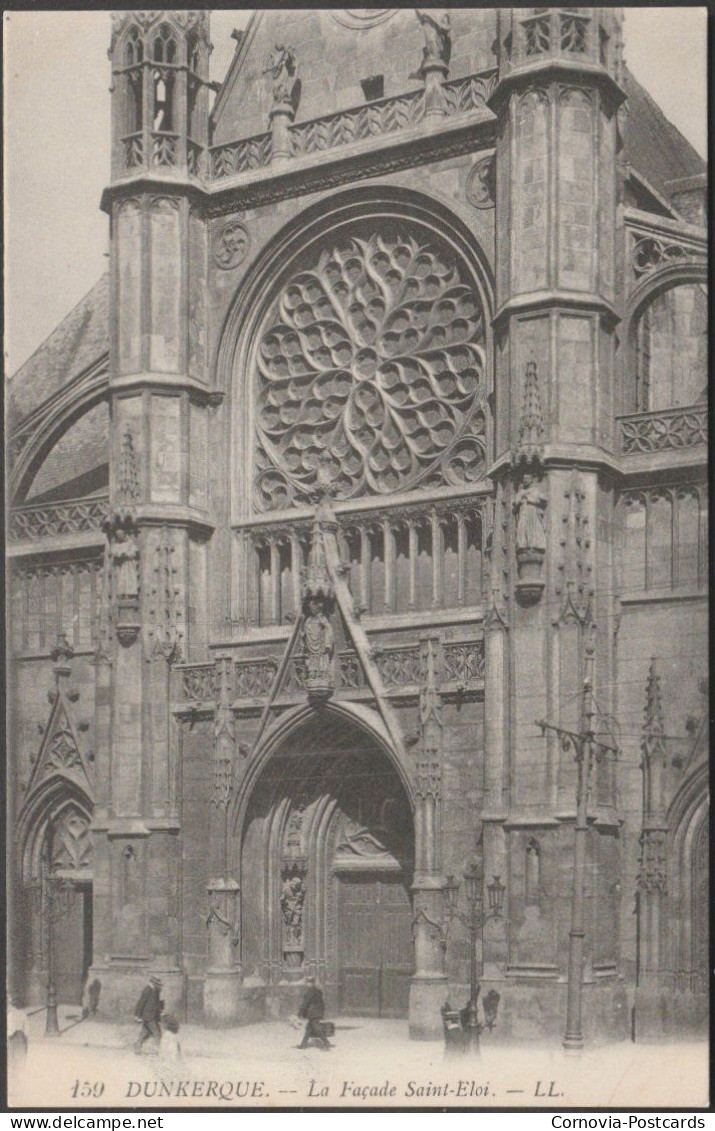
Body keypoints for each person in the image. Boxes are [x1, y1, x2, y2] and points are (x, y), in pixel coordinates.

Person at [297, 976, 332, 1050]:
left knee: (316, 1028)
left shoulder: (310, 991)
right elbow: (322, 1003)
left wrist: (300, 1013)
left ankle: (326, 1043)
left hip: (313, 1013)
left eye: (308, 982)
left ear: (311, 983)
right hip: (317, 1012)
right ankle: (303, 1045)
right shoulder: (318, 991)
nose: (307, 984)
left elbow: (305, 1003)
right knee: (309, 1029)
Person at [133, 975, 164, 1055]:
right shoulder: (147, 990)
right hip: (148, 1016)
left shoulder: (155, 990)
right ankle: (160, 1051)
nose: (158, 985)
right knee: (157, 1033)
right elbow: (141, 1003)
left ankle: (137, 1047)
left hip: (151, 1016)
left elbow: (158, 1004)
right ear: (152, 982)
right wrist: (137, 1015)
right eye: (156, 983)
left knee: (144, 1033)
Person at [7, 998, 28, 1075]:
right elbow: (26, 1029)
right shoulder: (23, 1015)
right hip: (21, 1036)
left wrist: (9, 1037)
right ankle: (20, 1072)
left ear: (13, 1006)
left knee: (12, 1057)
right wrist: (26, 1039)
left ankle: (14, 1072)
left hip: (13, 1037)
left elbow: (10, 1029)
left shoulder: (10, 1015)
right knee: (20, 1056)